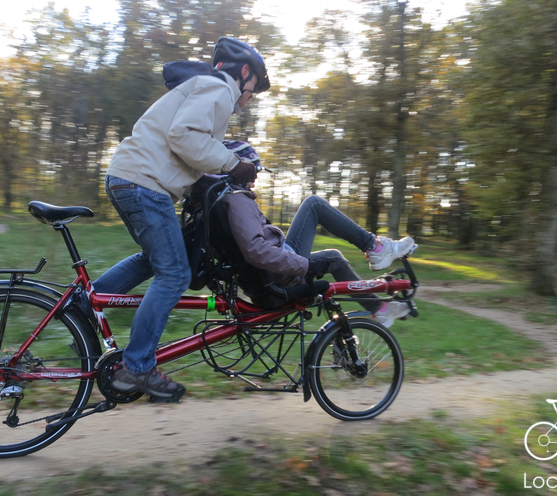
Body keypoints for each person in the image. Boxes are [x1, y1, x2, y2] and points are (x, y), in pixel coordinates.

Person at [93, 38, 270, 402]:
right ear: (245, 72)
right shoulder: (220, 89)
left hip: (131, 177)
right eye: (254, 88)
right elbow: (184, 136)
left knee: (155, 259)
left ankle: (85, 303)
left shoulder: (202, 87)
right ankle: (137, 367)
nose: (251, 97)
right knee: (174, 274)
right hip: (144, 183)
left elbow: (181, 148)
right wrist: (234, 164)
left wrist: (202, 184)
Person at [191, 141, 418, 327]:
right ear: (237, 170)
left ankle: (380, 304)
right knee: (314, 206)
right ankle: (375, 249)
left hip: (270, 276)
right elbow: (256, 251)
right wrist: (305, 265)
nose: (256, 178)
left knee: (333, 254)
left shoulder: (220, 201)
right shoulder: (237, 200)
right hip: (280, 278)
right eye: (254, 170)